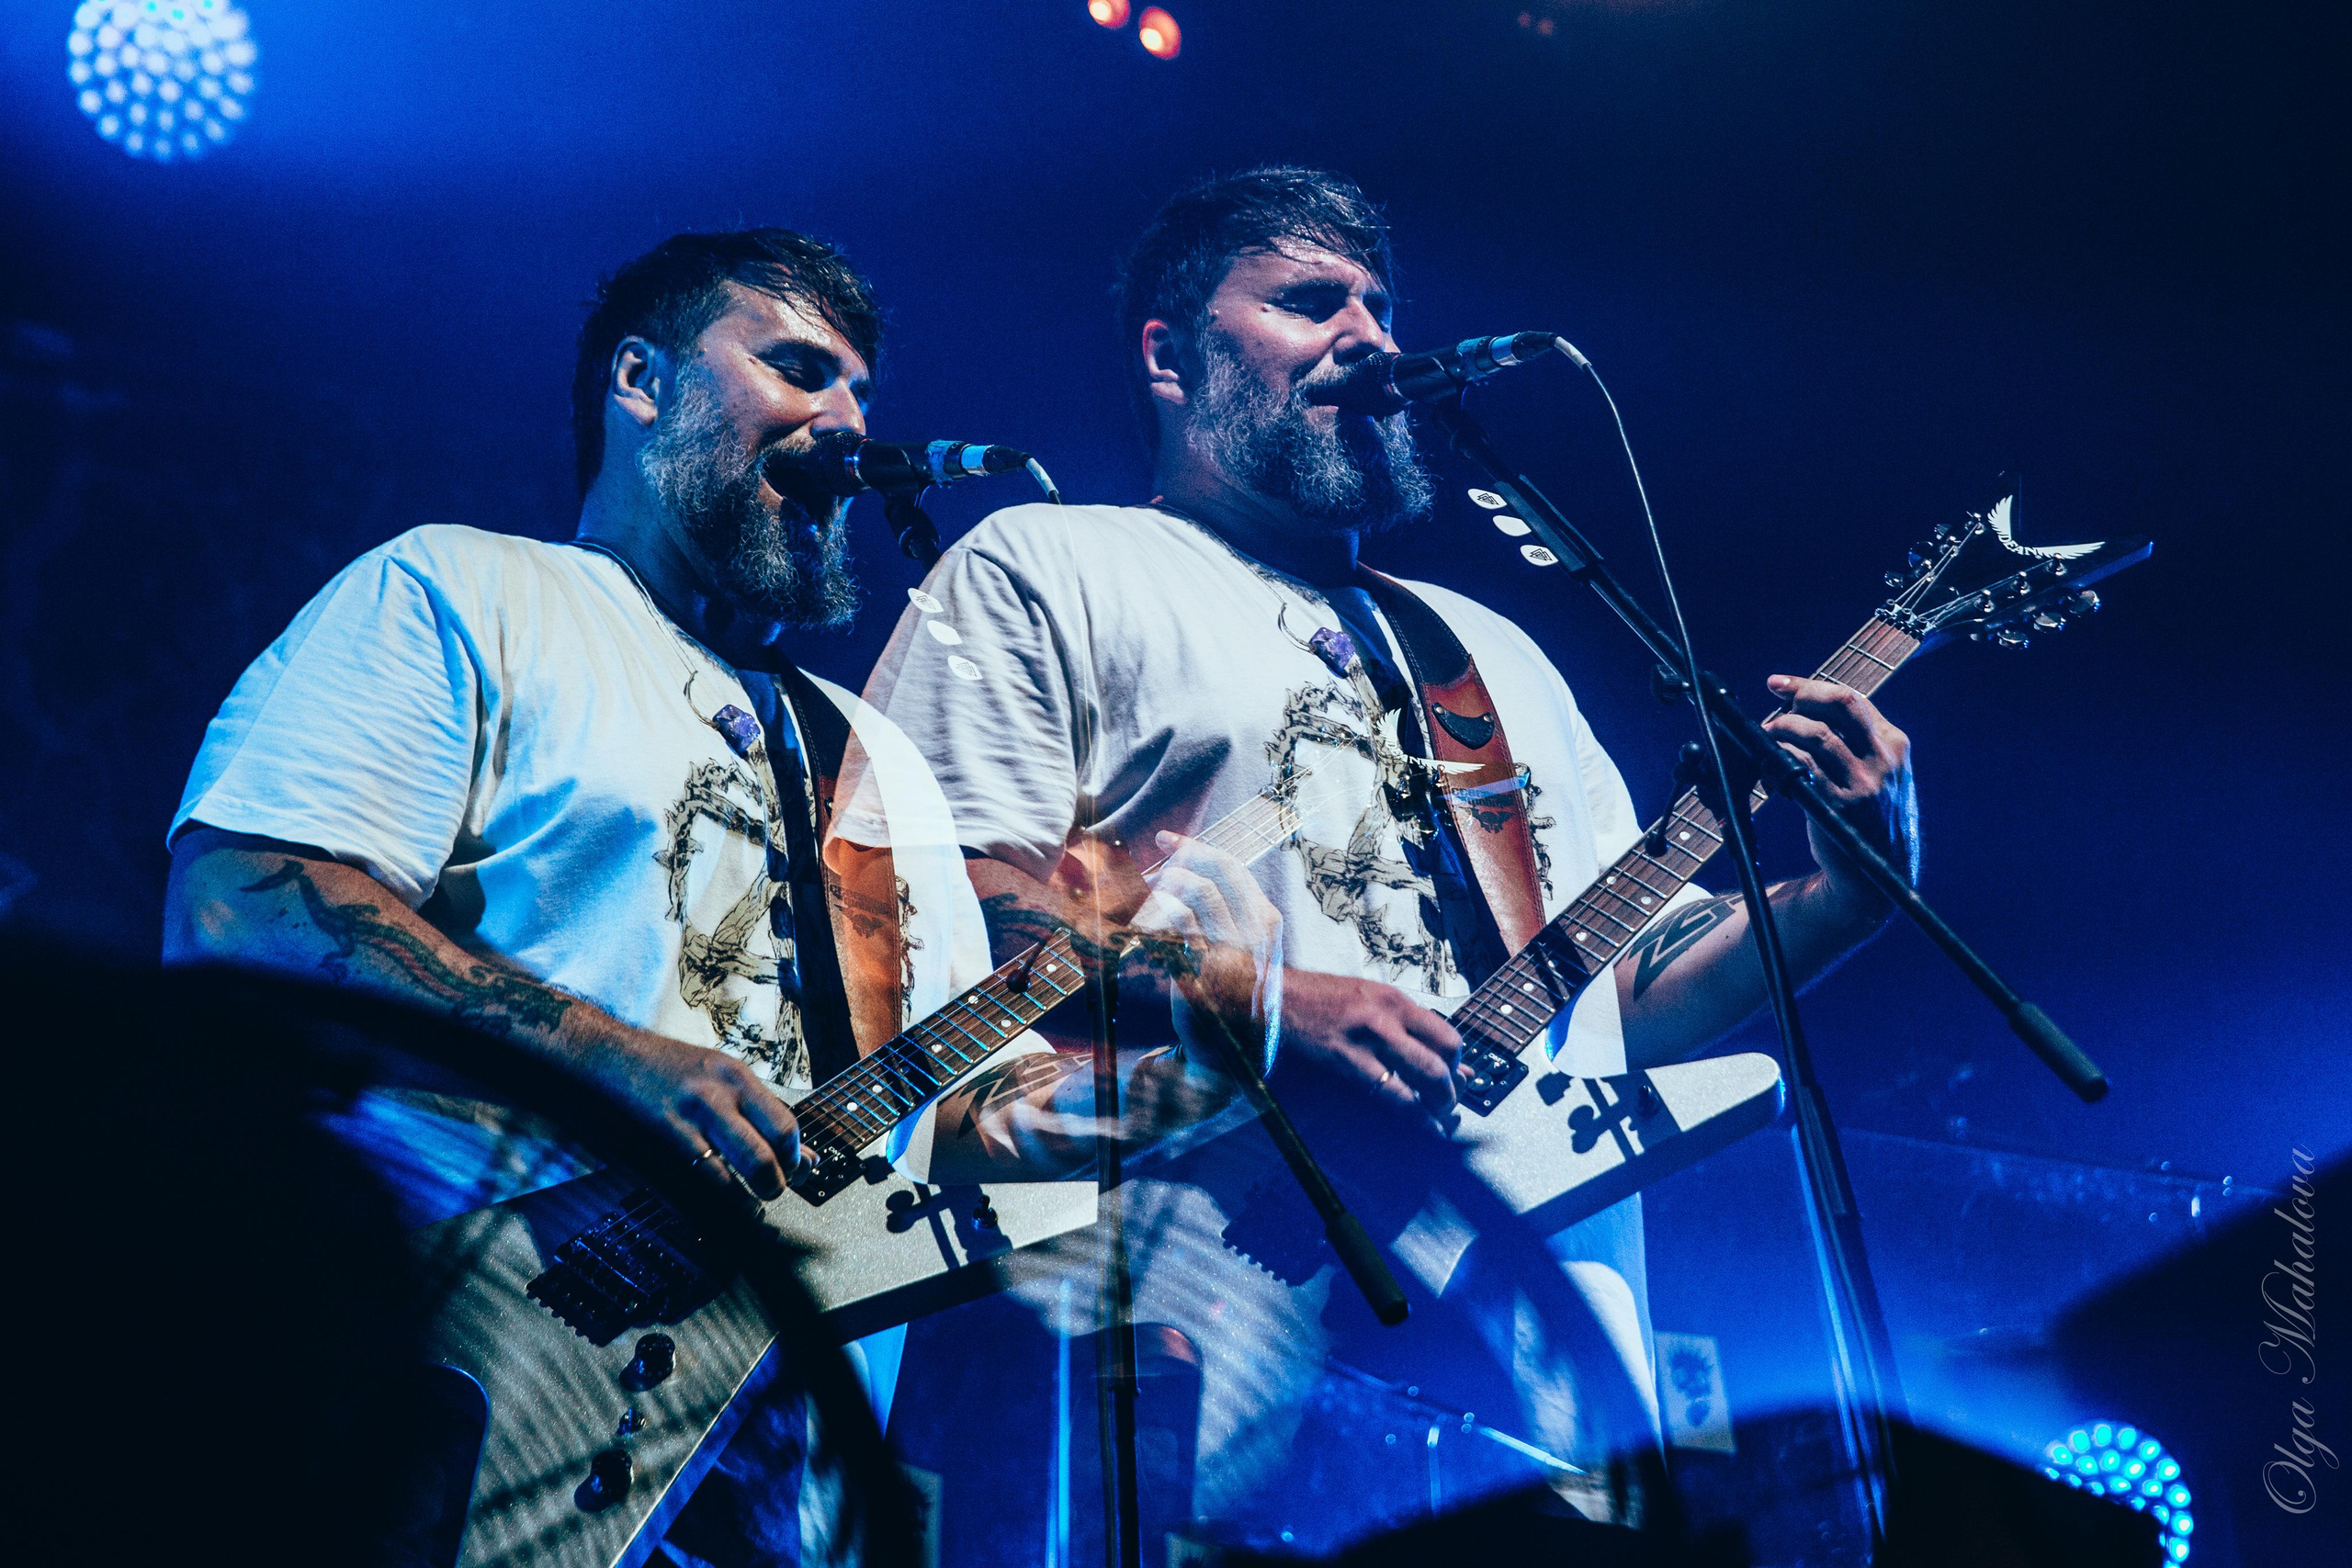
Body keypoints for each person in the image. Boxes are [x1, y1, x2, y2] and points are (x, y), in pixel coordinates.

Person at [863, 166, 1918, 1551]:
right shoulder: (1051, 565)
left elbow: (1621, 991)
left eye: (1379, 304)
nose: (1368, 336)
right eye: (1310, 302)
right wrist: (1264, 1003)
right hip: (1189, 1335)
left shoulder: (1493, 652)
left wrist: (1849, 890)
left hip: (1535, 1380)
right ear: (1172, 356)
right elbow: (932, 914)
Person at [161, 228, 997, 1567]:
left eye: (861, 392)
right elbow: (243, 907)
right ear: (641, 380)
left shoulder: (876, 755)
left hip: (779, 1472)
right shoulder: (465, 589)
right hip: (463, 1381)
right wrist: (614, 1062)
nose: (847, 423)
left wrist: (1185, 1003)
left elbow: (948, 1125)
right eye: (798, 370)